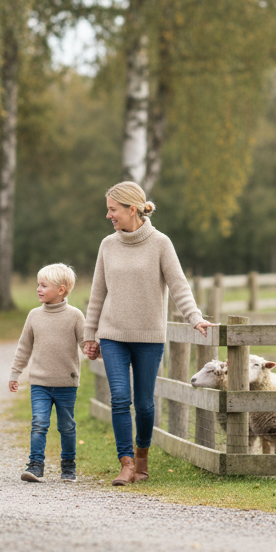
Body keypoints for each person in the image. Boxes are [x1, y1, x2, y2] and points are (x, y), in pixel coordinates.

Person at [82, 182, 211, 485]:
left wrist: (195, 317)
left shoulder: (160, 243)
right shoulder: (107, 245)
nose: (108, 215)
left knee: (144, 404)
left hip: (149, 337)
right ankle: (126, 463)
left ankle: (142, 458)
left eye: (112, 209)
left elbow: (178, 285)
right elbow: (98, 292)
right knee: (119, 398)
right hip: (113, 334)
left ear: (132, 209)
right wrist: (91, 334)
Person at [8, 263, 87, 483]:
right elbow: (24, 347)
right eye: (38, 284)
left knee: (66, 426)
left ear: (61, 290)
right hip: (39, 383)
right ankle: (35, 465)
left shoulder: (75, 316)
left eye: (44, 285)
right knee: (39, 423)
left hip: (66, 383)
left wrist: (95, 350)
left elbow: (86, 345)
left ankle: (68, 466)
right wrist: (15, 373)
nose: (38, 289)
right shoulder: (34, 315)